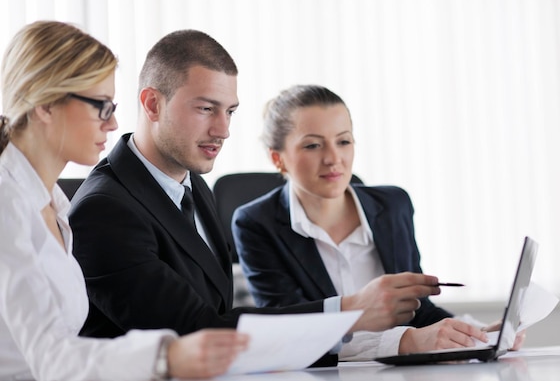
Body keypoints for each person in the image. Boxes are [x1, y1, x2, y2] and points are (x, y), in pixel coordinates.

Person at [68, 29, 444, 365]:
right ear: (152, 104)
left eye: (229, 111)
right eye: (205, 109)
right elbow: (198, 331)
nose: (223, 130)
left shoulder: (193, 185)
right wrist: (351, 310)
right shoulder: (104, 210)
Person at [0, 20, 249, 381]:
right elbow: (49, 358)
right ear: (45, 105)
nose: (114, 123)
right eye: (101, 106)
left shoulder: (53, 203)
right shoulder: (9, 204)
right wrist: (167, 355)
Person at [231, 84, 506, 360]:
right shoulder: (256, 223)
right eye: (313, 145)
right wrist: (406, 341)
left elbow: (419, 309)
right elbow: (294, 333)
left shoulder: (393, 205)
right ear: (278, 159)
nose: (333, 158)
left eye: (343, 141)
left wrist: (478, 334)